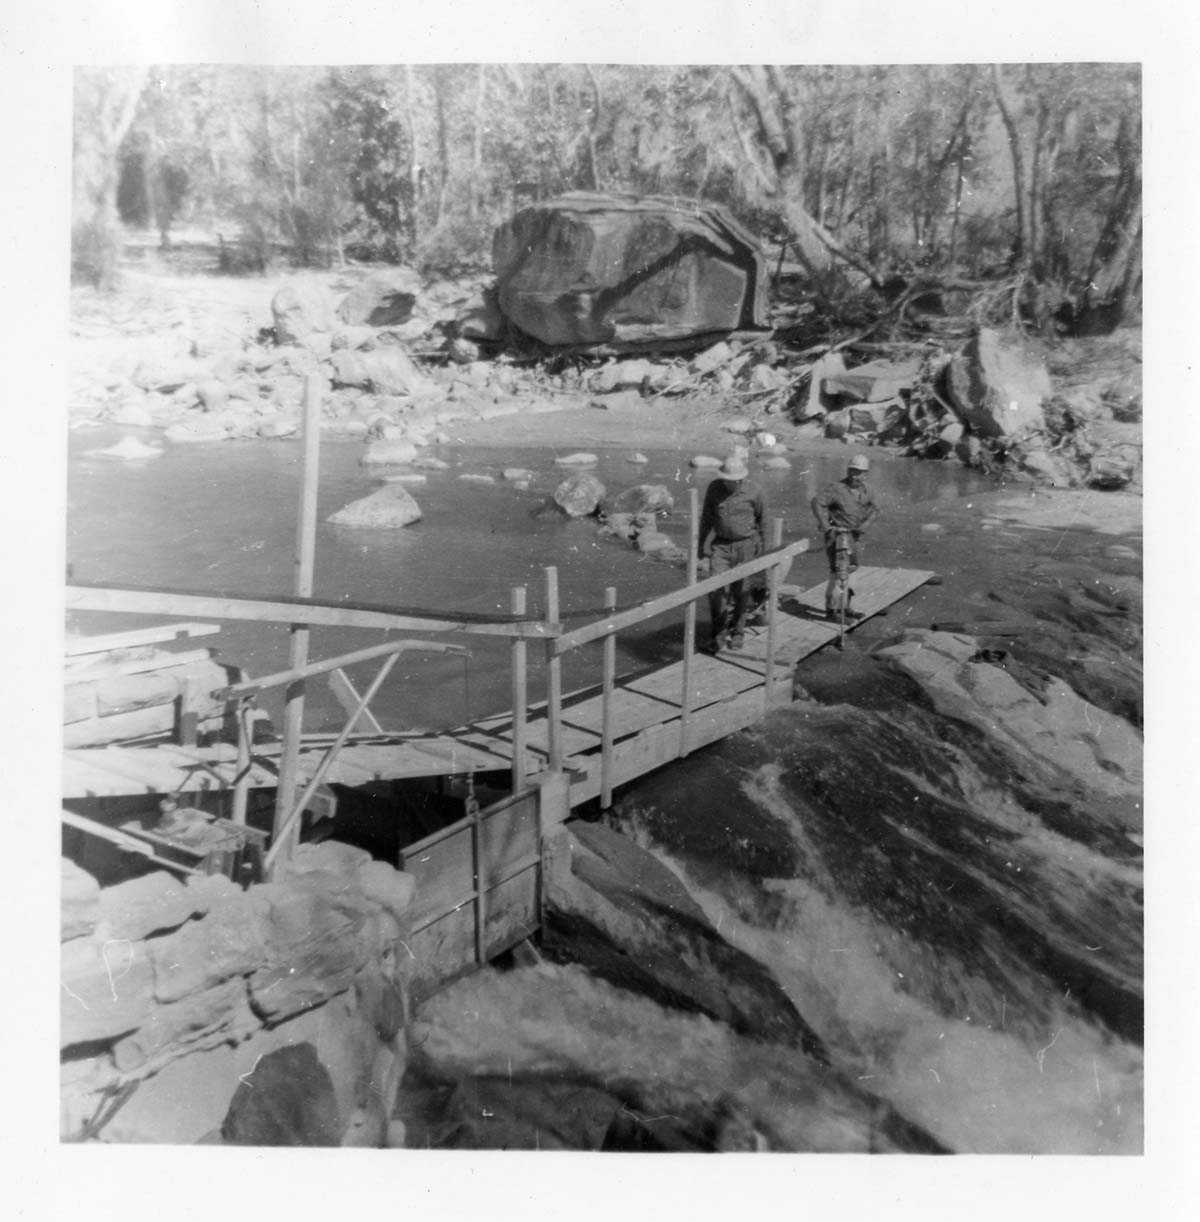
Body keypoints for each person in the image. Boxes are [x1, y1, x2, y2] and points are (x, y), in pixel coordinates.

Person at [698, 455, 765, 652]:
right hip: (721, 547)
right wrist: (701, 545)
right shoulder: (714, 488)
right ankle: (718, 633)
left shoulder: (755, 491)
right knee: (716, 590)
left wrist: (765, 553)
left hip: (745, 546)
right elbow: (707, 518)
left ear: (741, 479)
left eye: (732, 481)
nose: (728, 484)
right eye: (726, 480)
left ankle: (738, 631)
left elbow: (763, 521)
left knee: (742, 591)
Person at [811, 453, 878, 622]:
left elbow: (875, 510)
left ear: (866, 474)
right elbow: (817, 503)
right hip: (839, 536)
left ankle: (846, 606)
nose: (854, 475)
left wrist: (865, 525)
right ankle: (832, 611)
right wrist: (826, 527)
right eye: (852, 471)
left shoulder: (867, 490)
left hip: (856, 537)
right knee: (838, 571)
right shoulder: (836, 489)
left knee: (852, 570)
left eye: (858, 472)